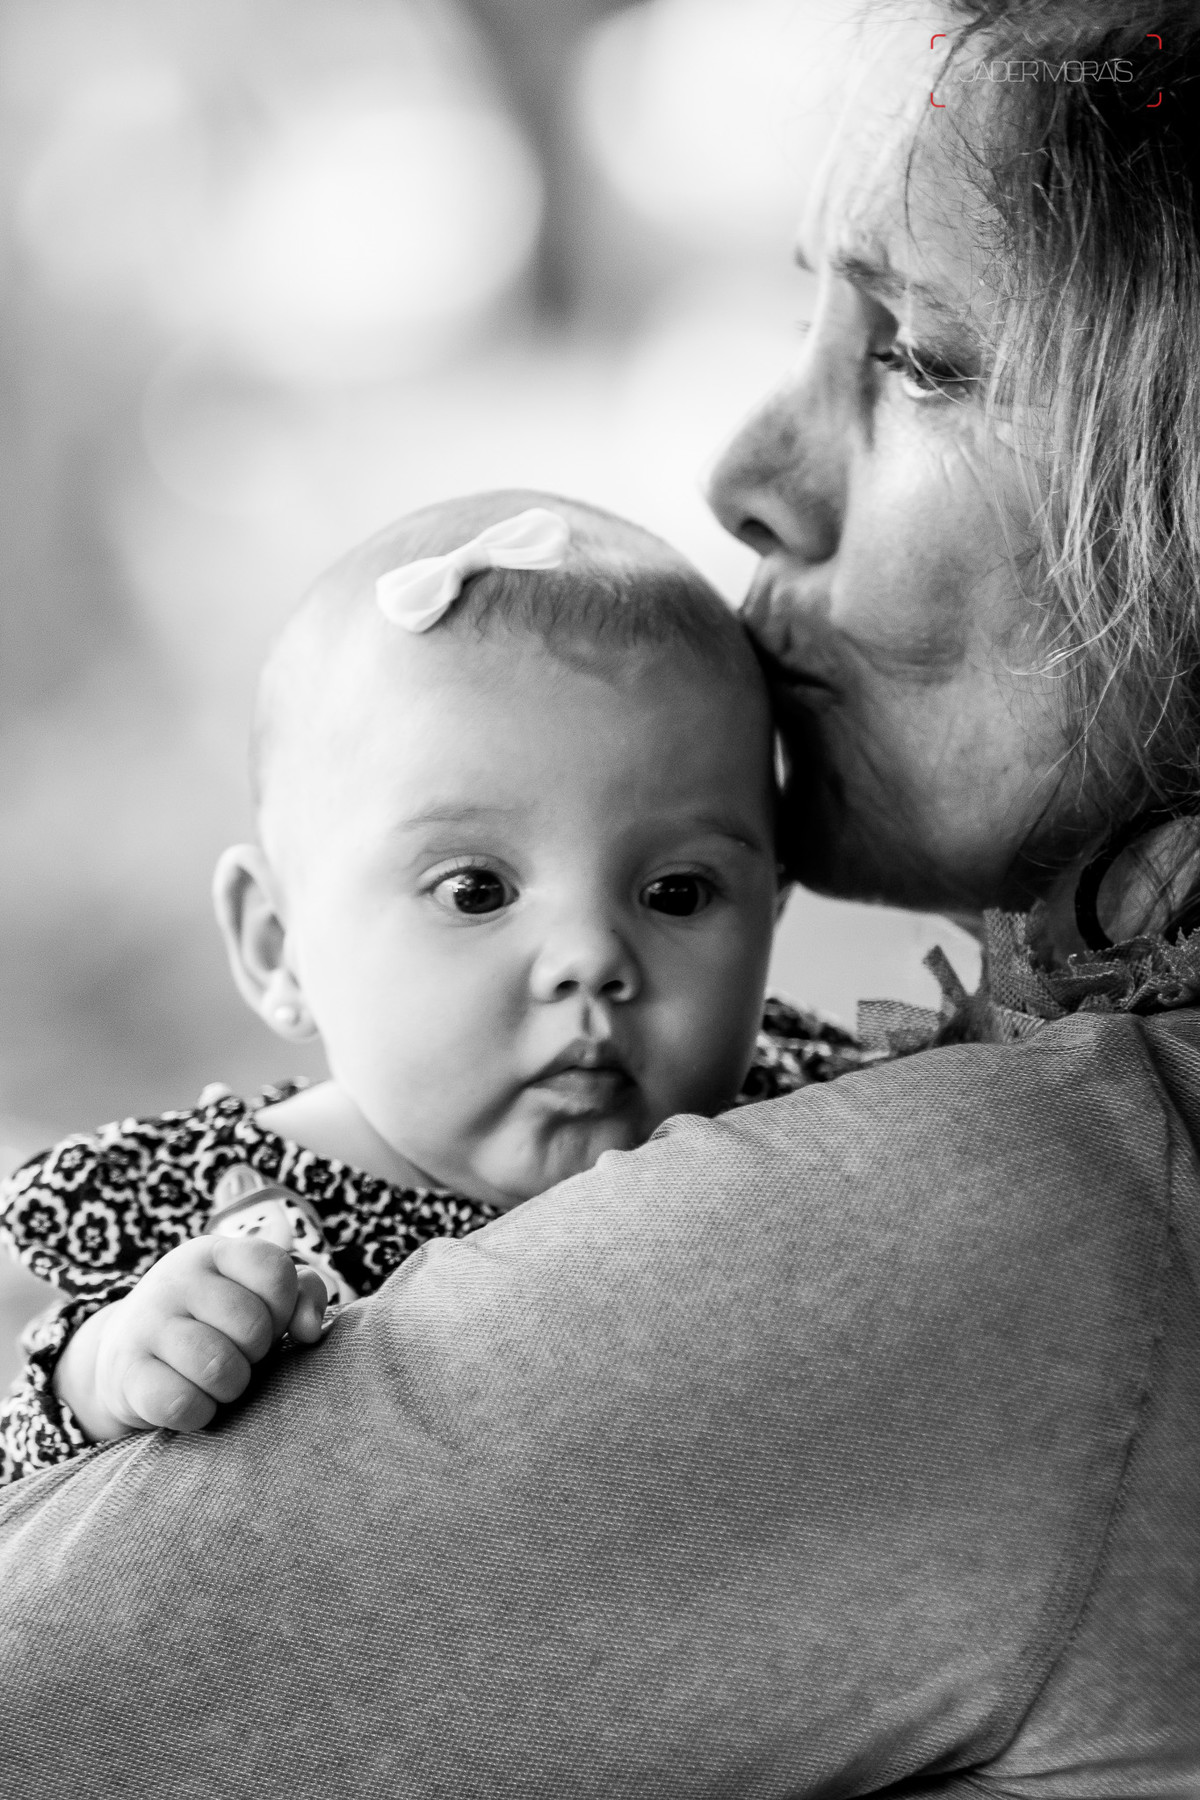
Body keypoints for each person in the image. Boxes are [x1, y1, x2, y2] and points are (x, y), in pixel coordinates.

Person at [2, 3, 1198, 1793]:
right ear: (271, 938)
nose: (748, 474)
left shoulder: (1036, 1211)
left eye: (923, 357)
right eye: (472, 884)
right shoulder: (153, 1211)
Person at [0, 492, 863, 1479]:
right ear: (279, 945)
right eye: (475, 890)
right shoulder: (198, 1219)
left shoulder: (811, 1112)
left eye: (675, 891)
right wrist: (106, 1374)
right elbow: (28, 1536)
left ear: (773, 909)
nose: (590, 955)